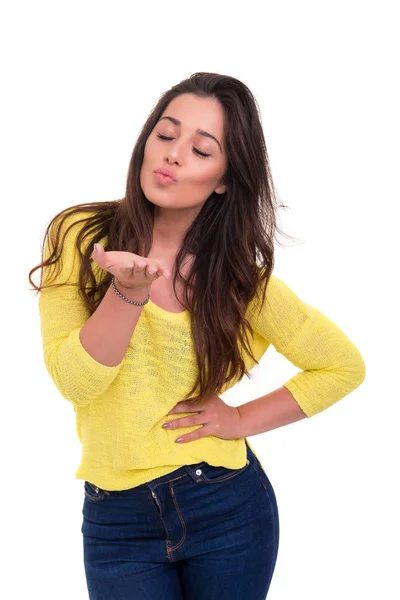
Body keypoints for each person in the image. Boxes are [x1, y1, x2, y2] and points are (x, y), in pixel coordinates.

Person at [29, 72, 366, 599]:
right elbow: (76, 383)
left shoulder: (237, 281)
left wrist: (237, 419)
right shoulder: (80, 235)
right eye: (165, 135)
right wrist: (128, 293)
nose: (173, 155)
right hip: (117, 519)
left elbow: (343, 367)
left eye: (201, 149)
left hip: (227, 507)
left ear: (225, 179)